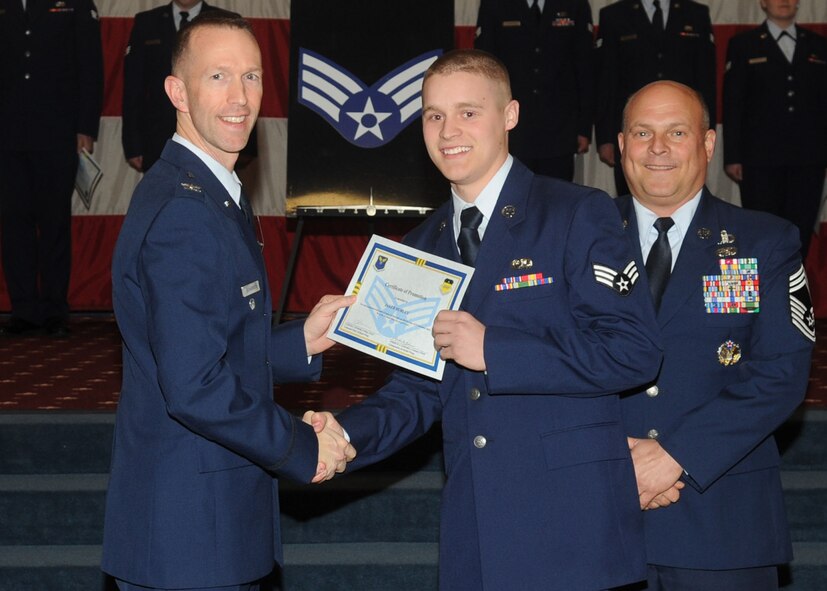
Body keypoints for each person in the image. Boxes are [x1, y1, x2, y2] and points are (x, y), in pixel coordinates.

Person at [309, 49, 663, 591]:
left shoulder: (575, 212)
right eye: (434, 115)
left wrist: (494, 350)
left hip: (571, 529)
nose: (448, 131)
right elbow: (418, 391)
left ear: (510, 115)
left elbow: (633, 350)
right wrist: (343, 434)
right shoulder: (416, 247)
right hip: (474, 530)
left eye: (468, 112)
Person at [101, 13, 355, 591]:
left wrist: (301, 340)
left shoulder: (208, 191)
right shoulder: (185, 212)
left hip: (203, 524)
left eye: (252, 76)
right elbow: (195, 386)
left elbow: (208, 345)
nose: (240, 97)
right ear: (177, 92)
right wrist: (301, 444)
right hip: (190, 537)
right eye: (217, 76)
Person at [615, 80, 815, 590]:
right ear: (621, 145)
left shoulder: (765, 241)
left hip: (722, 527)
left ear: (707, 143)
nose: (658, 148)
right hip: (598, 525)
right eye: (642, 132)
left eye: (677, 132)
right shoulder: (576, 237)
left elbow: (781, 373)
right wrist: (609, 459)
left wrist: (674, 455)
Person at [0, 0, 104, 337]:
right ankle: (24, 309)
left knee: (54, 225)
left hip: (57, 132)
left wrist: (85, 127)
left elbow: (90, 64)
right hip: (8, 133)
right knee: (14, 225)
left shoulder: (75, 4)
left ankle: (55, 310)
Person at [723, 0, 827, 259]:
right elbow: (733, 103)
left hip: (809, 159)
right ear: (763, 3)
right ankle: (767, 284)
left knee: (800, 229)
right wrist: (733, 155)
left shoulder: (818, 45)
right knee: (761, 231)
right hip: (759, 160)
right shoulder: (744, 44)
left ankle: (795, 283)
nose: (784, 1)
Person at [595, 0, 716, 197]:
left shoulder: (696, 13)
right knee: (631, 196)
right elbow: (606, 80)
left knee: (687, 192)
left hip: (683, 129)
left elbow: (706, 80)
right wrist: (605, 138)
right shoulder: (614, 15)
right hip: (634, 130)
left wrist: (706, 131)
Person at [122, 0, 257, 173]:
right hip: (158, 139)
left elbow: (245, 80)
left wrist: (248, 146)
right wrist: (132, 144)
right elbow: (133, 88)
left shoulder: (224, 21)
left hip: (212, 138)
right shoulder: (147, 22)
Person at [475, 0, 594, 181]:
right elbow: (484, 69)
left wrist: (584, 128)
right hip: (511, 128)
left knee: (556, 193)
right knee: (513, 191)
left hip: (560, 129)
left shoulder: (574, 4)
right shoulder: (494, 4)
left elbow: (585, 69)